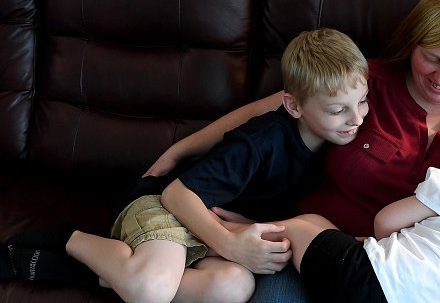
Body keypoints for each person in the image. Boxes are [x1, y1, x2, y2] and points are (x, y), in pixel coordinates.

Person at [142, 0, 440, 302]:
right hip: (309, 252)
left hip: (415, 283)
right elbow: (275, 108)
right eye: (433, 57)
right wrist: (183, 147)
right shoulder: (366, 82)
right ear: (414, 41)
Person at [1, 28, 370, 303]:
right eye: (337, 110)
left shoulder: (334, 139)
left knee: (233, 288)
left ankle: (101, 272)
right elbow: (178, 194)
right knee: (149, 290)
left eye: (364, 102)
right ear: (293, 106)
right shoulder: (260, 143)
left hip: (208, 228)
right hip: (166, 207)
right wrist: (230, 243)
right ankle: (68, 239)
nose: (356, 118)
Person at [222, 116, 440, 302]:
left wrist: (375, 244)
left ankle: (232, 231)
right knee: (317, 223)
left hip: (369, 280)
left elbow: (386, 221)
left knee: (300, 226)